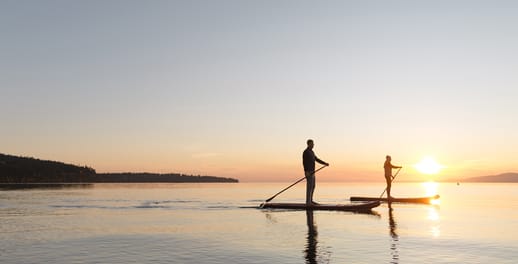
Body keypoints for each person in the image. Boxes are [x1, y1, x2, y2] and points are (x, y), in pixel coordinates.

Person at [303, 139, 329, 205]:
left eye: (313, 144)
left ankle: (311, 200)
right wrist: (306, 172)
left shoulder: (312, 152)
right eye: (312, 144)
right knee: (309, 187)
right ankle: (308, 202)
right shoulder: (305, 152)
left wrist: (324, 163)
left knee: (313, 186)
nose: (313, 145)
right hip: (308, 172)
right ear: (308, 144)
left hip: (313, 172)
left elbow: (316, 159)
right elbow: (304, 163)